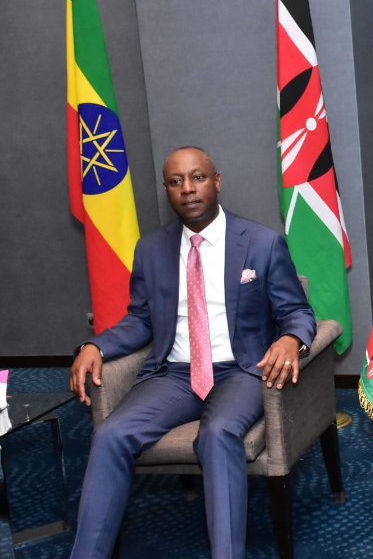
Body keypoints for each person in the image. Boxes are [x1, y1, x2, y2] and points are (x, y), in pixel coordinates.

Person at [68, 146, 315, 559]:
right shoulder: (150, 250)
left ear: (216, 181)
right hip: (175, 374)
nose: (188, 189)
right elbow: (140, 320)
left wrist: (292, 340)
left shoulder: (262, 243)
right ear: (167, 189)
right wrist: (95, 344)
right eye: (176, 181)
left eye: (197, 177)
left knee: (218, 435)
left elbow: (297, 311)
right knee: (110, 434)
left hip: (241, 370)